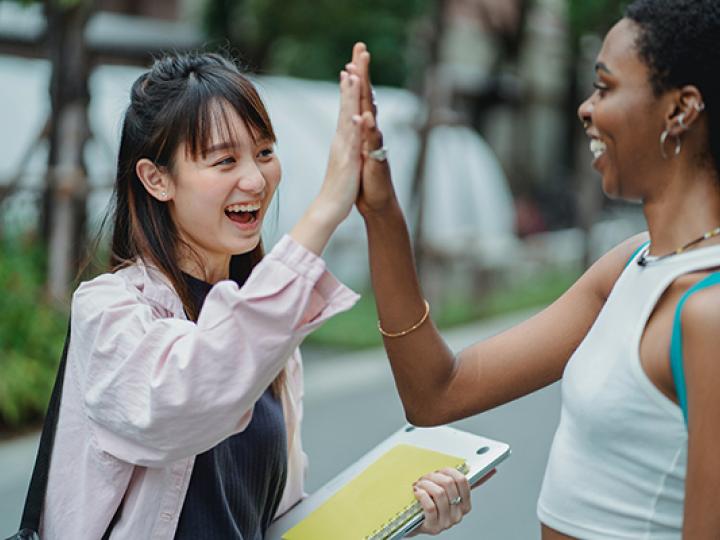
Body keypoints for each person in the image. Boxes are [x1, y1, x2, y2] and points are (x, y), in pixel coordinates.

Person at [39, 51, 467, 538]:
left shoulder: (271, 336)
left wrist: (399, 509)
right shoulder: (109, 311)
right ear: (156, 179)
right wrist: (328, 204)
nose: (255, 179)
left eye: (264, 152)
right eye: (225, 160)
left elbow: (269, 524)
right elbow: (188, 397)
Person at [350, 0, 720, 537]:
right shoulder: (630, 267)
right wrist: (381, 212)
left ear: (680, 110)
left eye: (606, 87)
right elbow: (437, 392)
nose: (585, 109)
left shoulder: (707, 311)